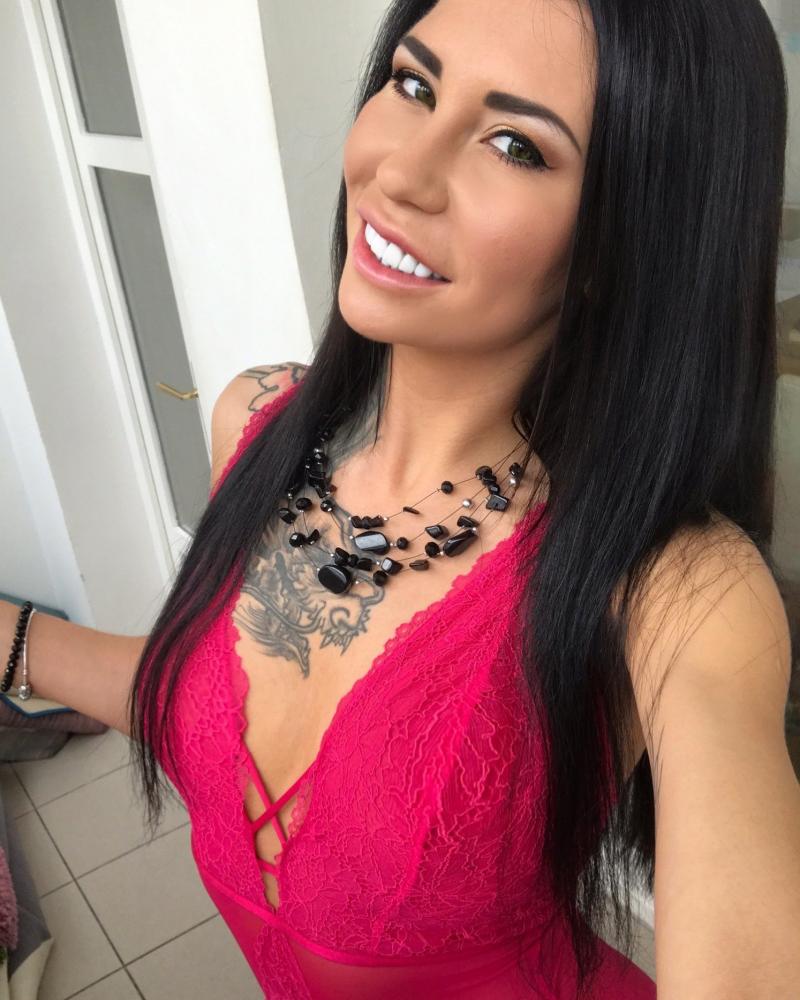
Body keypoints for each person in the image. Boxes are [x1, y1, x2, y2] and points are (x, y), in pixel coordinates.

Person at [3, 0, 799, 996]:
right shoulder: (255, 422)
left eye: (515, 145)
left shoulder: (679, 589)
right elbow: (207, 712)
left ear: (624, 240)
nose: (401, 172)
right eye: (414, 85)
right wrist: (16, 638)